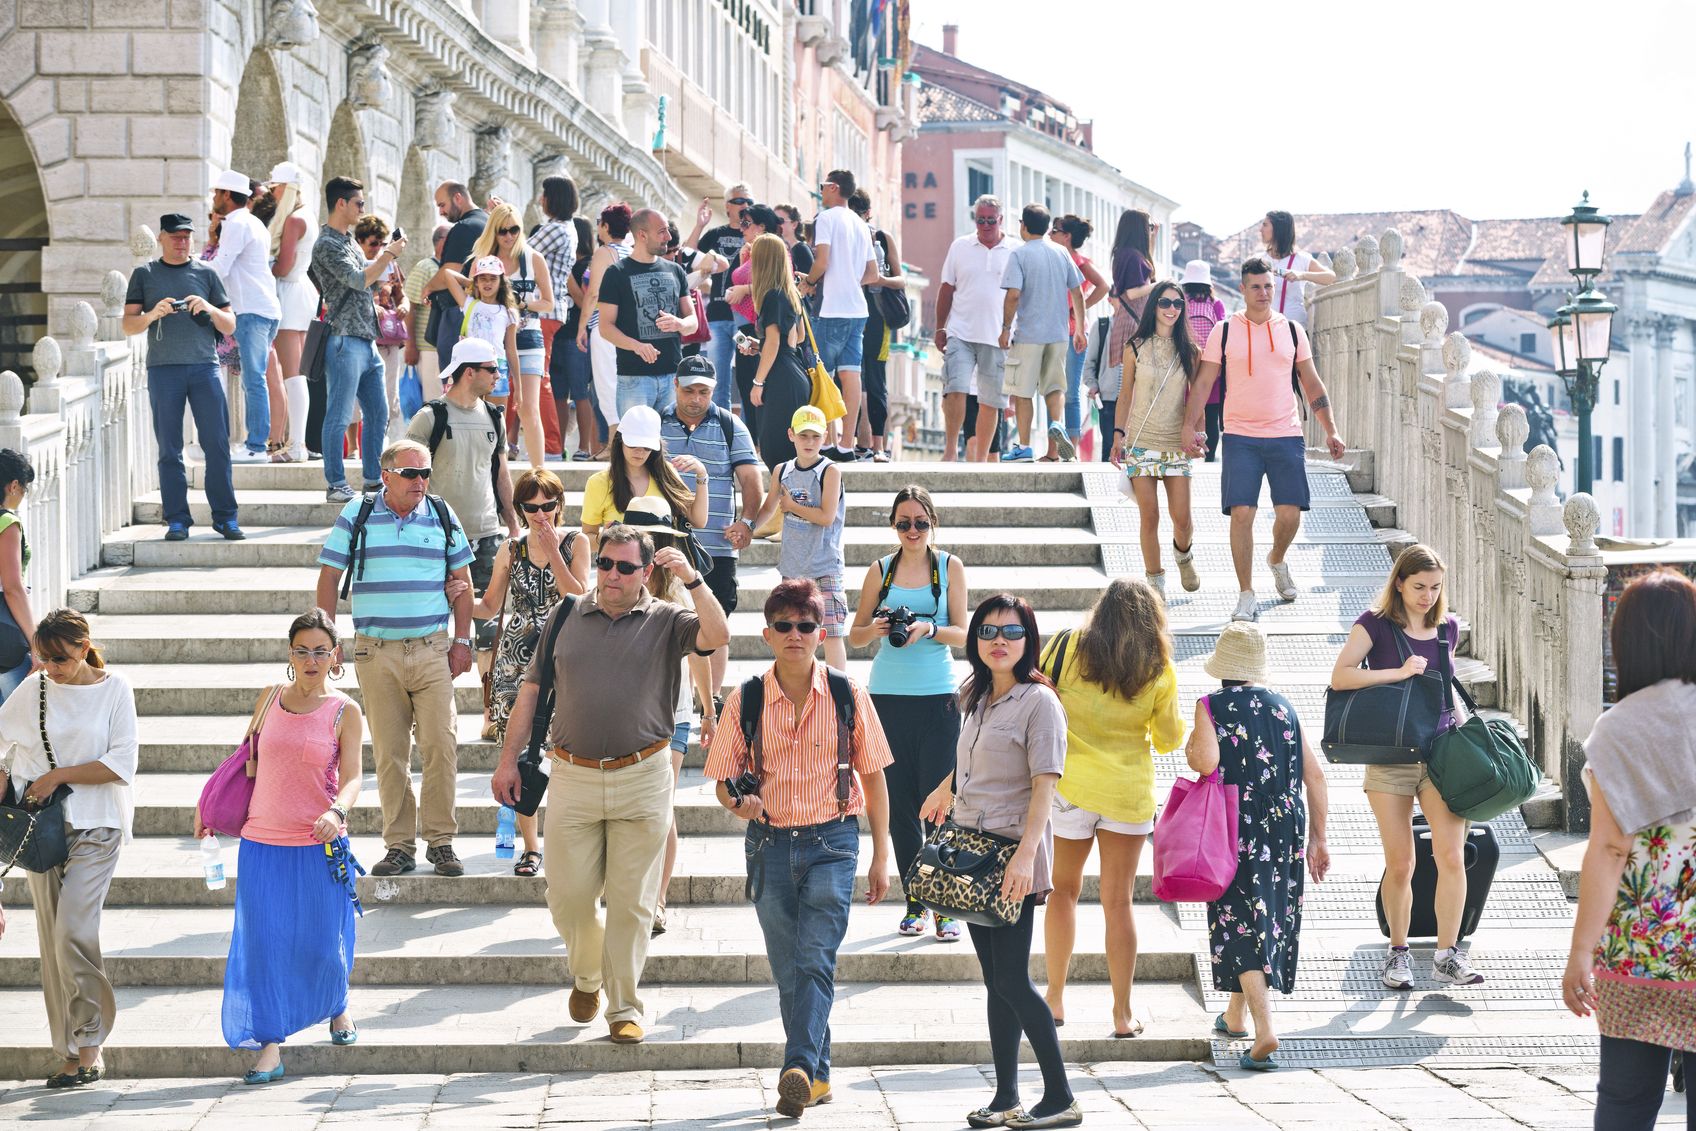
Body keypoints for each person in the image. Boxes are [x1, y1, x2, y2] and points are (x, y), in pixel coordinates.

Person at [491, 522, 730, 1044]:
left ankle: (624, 1006)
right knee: (568, 896)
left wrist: (693, 580)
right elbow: (531, 691)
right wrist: (508, 759)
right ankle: (587, 975)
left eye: (625, 566)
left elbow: (717, 636)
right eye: (604, 563)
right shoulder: (565, 614)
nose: (612, 574)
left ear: (645, 572)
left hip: (644, 776)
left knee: (632, 901)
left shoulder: (668, 619)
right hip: (572, 775)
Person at [705, 578, 895, 1119]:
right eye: (784, 625)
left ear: (820, 633)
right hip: (767, 842)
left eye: (806, 625)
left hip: (833, 840)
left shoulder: (847, 693)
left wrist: (881, 854)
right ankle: (818, 1074)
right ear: (767, 634)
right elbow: (722, 782)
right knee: (790, 966)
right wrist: (738, 804)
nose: (795, 634)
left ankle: (797, 1066)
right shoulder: (746, 698)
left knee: (815, 958)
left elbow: (874, 777)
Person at [919, 594, 1079, 1129]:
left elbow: (1045, 785)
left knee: (1011, 979)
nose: (999, 641)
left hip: (1012, 856)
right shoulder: (978, 695)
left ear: (1028, 640)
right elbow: (976, 758)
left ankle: (1060, 1097)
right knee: (996, 981)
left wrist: (1026, 859)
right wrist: (945, 787)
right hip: (973, 853)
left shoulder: (1040, 702)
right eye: (987, 632)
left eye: (1011, 632)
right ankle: (1006, 1096)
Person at [1562, 570, 1696, 1131]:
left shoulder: (1618, 730)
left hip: (1642, 948)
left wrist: (1580, 952)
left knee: (1625, 1101)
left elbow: (1610, 850)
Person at [206, 609, 364, 1084]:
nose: (311, 660)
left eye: (321, 651)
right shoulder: (269, 698)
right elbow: (243, 760)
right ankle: (270, 1045)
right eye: (302, 650)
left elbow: (354, 778)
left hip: (319, 841)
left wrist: (337, 812)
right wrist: (208, 806)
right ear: (289, 654)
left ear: (335, 656)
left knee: (323, 941)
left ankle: (336, 1004)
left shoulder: (345, 711)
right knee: (263, 946)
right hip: (262, 842)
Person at [314, 439, 474, 878]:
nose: (420, 481)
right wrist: (328, 640)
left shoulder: (442, 513)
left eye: (425, 473)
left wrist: (463, 641)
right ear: (386, 475)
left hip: (431, 647)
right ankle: (399, 845)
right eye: (410, 473)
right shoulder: (358, 512)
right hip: (375, 650)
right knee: (389, 752)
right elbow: (329, 577)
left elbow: (463, 582)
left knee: (441, 744)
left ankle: (441, 842)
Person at [1330, 545, 1483, 989]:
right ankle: (1398, 954)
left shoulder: (1447, 627)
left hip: (1441, 756)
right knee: (1401, 863)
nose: (1427, 596)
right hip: (1389, 757)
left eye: (1435, 587)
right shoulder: (1373, 624)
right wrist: (1396, 672)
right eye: (1418, 586)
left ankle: (1447, 956)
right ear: (1399, 582)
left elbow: (1446, 689)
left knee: (1452, 856)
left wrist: (1469, 737)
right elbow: (1340, 676)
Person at [1038, 578, 1182, 1039]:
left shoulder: (1067, 647)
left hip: (1070, 787)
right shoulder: (1158, 667)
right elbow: (1168, 739)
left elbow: (1038, 694)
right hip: (1126, 793)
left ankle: (1054, 998)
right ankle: (1122, 1013)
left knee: (1062, 892)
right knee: (1118, 901)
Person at [0, 610, 137, 1090]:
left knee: (72, 931)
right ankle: (69, 1053)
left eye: (59, 658)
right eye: (43, 657)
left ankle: (90, 1045)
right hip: (43, 832)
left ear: (83, 647)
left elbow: (121, 763)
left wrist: (57, 775)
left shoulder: (115, 689)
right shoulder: (33, 689)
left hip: (99, 825)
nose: (50, 668)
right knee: (51, 940)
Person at [1187, 621, 1330, 1071]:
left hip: (1236, 823)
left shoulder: (1211, 705)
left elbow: (1205, 761)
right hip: (1285, 825)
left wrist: (1195, 740)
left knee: (1236, 918)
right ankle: (1235, 1016)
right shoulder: (1285, 706)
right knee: (1263, 914)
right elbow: (1315, 776)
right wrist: (1319, 839)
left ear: (1222, 667)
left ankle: (1265, 1029)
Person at [1180, 257, 1348, 622]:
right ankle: (1246, 594)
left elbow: (1312, 383)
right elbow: (1204, 382)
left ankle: (1277, 559)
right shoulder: (1224, 330)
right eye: (1255, 286)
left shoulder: (1292, 331)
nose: (1263, 293)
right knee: (1242, 513)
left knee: (1290, 515)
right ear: (1242, 289)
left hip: (1286, 434)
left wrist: (1331, 429)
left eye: (1268, 286)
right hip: (1240, 435)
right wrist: (1189, 425)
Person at [849, 485, 970, 941]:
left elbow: (966, 633)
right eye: (904, 523)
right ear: (893, 526)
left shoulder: (949, 567)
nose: (912, 530)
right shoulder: (880, 570)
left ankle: (944, 906)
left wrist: (930, 628)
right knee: (899, 806)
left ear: (932, 522)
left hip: (939, 698)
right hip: (887, 698)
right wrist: (878, 627)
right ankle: (916, 902)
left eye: (920, 522)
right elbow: (855, 636)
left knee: (939, 807)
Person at [474, 469, 588, 876]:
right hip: (515, 665)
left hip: (564, 661)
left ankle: (566, 842)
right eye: (531, 507)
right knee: (520, 756)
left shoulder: (576, 542)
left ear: (560, 504)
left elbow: (580, 596)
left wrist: (554, 551)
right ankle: (530, 847)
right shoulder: (511, 548)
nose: (540, 514)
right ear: (519, 509)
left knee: (565, 754)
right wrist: (453, 597)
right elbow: (490, 605)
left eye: (548, 505)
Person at [406, 338, 520, 737]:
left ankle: (490, 716)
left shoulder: (494, 416)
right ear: (469, 372)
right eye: (492, 369)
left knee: (490, 634)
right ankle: (426, 714)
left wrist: (513, 524)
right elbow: (406, 473)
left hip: (486, 535)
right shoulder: (430, 417)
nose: (498, 375)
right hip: (435, 538)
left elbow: (501, 474)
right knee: (430, 632)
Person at [618, 496, 716, 937]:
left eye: (657, 539)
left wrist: (709, 708)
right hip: (622, 711)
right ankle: (630, 893)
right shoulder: (615, 577)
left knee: (662, 806)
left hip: (671, 713)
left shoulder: (679, 588)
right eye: (645, 538)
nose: (653, 547)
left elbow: (700, 650)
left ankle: (657, 899)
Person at [122, 213, 244, 539]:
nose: (182, 242)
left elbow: (229, 324)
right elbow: (128, 325)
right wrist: (153, 314)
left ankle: (226, 517)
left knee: (217, 444)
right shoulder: (144, 274)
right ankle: (177, 519)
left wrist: (208, 307)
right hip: (163, 370)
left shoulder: (206, 273)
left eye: (187, 236)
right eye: (175, 236)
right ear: (161, 237)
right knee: (169, 448)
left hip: (204, 367)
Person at [660, 355, 764, 696]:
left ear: (714, 391)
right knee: (665, 622)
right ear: (676, 385)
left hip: (716, 547)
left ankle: (712, 700)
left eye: (703, 392)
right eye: (689, 390)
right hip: (666, 544)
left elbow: (751, 480)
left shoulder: (730, 425)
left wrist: (746, 522)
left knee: (716, 623)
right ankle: (673, 701)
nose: (696, 399)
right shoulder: (657, 422)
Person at [310, 176, 405, 504]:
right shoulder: (326, 244)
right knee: (338, 415)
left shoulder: (348, 241)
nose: (363, 210)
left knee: (378, 413)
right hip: (343, 339)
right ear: (341, 203)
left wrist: (386, 268)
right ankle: (335, 483)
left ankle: (372, 480)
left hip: (365, 338)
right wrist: (387, 255)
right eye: (359, 203)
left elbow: (368, 281)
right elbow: (355, 279)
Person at [1109, 280, 1203, 596]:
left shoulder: (1191, 351)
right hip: (1141, 441)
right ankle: (1155, 584)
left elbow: (1196, 399)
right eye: (1164, 302)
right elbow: (1125, 395)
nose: (1171, 309)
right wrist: (1118, 435)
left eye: (1177, 303)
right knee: (1149, 516)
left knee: (1183, 519)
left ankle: (1183, 555)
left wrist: (1199, 435)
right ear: (1154, 306)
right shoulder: (1134, 346)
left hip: (1177, 443)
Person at [751, 406, 848, 671]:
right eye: (804, 435)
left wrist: (793, 506)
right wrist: (748, 527)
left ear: (824, 437)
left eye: (815, 436)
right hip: (793, 568)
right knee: (790, 634)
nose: (809, 442)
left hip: (825, 565)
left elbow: (826, 516)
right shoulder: (782, 470)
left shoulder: (830, 471)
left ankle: (839, 690)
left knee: (832, 633)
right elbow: (769, 507)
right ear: (791, 435)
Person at [469, 201, 557, 466]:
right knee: (486, 408)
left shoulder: (533, 258)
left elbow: (549, 302)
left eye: (514, 229)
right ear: (493, 231)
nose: (509, 236)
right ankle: (488, 468)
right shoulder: (481, 261)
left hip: (528, 337)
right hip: (491, 344)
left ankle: (539, 473)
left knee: (528, 408)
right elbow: (471, 299)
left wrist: (520, 305)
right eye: (502, 230)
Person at [801, 170, 880, 461]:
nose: (821, 190)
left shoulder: (826, 218)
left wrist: (809, 282)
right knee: (851, 374)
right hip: (857, 309)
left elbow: (822, 261)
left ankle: (825, 441)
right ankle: (847, 444)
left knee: (823, 375)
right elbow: (872, 274)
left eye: (823, 186)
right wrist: (849, 280)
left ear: (834, 187)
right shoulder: (861, 224)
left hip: (830, 308)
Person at [1000, 204, 1086, 463]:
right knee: (1055, 386)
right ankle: (1057, 424)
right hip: (1059, 334)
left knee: (1023, 392)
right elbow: (1078, 292)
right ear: (1048, 227)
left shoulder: (1019, 254)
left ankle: (1024, 447)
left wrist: (1005, 328)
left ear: (1023, 225)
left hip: (1028, 334)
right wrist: (1080, 329)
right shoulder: (1062, 252)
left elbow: (1013, 295)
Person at [209, 169, 283, 463]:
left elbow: (220, 267)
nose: (214, 198)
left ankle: (256, 447)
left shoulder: (236, 223)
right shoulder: (252, 222)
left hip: (252, 311)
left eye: (217, 193)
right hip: (261, 309)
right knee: (254, 379)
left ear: (227, 195)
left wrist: (187, 269)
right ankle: (256, 444)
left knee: (253, 380)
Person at [935, 195, 1015, 463]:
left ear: (1001, 220)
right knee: (955, 387)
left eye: (991, 220)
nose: (985, 226)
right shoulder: (960, 246)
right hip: (961, 331)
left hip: (998, 336)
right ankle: (950, 451)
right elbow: (946, 289)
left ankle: (981, 460)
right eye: (980, 220)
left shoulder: (1014, 250)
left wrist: (1015, 332)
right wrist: (940, 327)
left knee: (990, 400)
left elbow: (1021, 295)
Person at [597, 207, 696, 418]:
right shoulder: (616, 273)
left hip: (672, 375)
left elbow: (692, 321)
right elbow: (605, 327)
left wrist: (679, 324)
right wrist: (637, 346)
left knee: (669, 438)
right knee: (634, 438)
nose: (668, 237)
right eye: (661, 231)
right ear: (642, 235)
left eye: (667, 230)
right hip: (635, 378)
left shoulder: (675, 270)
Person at [580, 405, 708, 554]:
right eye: (633, 444)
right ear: (620, 440)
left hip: (664, 564)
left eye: (647, 446)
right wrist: (608, 536)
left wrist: (702, 475)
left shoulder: (667, 473)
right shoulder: (598, 483)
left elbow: (698, 521)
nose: (640, 451)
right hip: (620, 565)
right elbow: (586, 539)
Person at [746, 234, 816, 469]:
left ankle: (784, 494)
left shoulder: (773, 296)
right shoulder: (791, 293)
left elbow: (774, 342)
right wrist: (760, 345)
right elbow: (799, 337)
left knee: (775, 452)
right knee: (787, 454)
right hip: (794, 373)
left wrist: (758, 382)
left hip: (780, 378)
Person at [847, 190, 904, 462]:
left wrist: (878, 279)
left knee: (876, 381)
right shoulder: (842, 236)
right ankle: (853, 443)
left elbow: (901, 280)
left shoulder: (882, 237)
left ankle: (879, 446)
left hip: (877, 316)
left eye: (859, 214)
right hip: (848, 313)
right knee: (848, 378)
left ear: (868, 214)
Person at [266, 160, 316, 464]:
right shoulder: (306, 214)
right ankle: (297, 443)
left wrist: (261, 267)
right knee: (296, 375)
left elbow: (283, 267)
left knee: (292, 375)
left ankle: (297, 444)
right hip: (299, 293)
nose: (272, 194)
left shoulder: (294, 219)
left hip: (288, 293)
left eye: (275, 188)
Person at [721, 203, 784, 430]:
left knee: (754, 381)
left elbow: (777, 282)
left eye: (746, 223)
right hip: (741, 325)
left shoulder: (774, 250)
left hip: (755, 325)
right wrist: (743, 260)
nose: (741, 228)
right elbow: (746, 278)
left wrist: (743, 289)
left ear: (762, 226)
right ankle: (753, 437)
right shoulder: (750, 251)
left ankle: (758, 440)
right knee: (744, 380)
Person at [577, 203, 635, 450]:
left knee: (606, 383)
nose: (598, 228)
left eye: (599, 223)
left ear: (606, 226)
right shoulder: (632, 252)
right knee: (620, 382)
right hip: (626, 327)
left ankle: (613, 443)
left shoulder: (604, 252)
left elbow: (593, 293)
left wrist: (582, 327)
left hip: (604, 325)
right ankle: (618, 443)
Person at [691, 187, 754, 412]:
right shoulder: (716, 234)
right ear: (727, 206)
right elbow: (688, 254)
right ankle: (721, 427)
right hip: (718, 319)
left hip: (744, 322)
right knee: (717, 381)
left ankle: (749, 430)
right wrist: (699, 225)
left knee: (748, 377)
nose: (745, 205)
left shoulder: (754, 236)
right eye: (739, 201)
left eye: (749, 201)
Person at [530, 175, 580, 459]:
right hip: (551, 310)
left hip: (542, 311)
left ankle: (550, 446)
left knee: (538, 378)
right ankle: (548, 444)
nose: (541, 200)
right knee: (536, 378)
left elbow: (519, 252)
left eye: (544, 194)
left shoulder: (556, 229)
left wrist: (499, 220)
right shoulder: (568, 229)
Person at [1050, 215, 1109, 451]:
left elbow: (1103, 286)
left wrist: (1079, 307)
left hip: (1074, 333)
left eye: (1054, 230)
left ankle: (1071, 446)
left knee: (1071, 392)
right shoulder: (1052, 257)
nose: (1049, 234)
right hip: (1052, 332)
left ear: (1067, 237)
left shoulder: (1080, 262)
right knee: (1053, 390)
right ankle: (1056, 444)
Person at [444, 255, 520, 414]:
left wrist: (518, 387)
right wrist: (472, 284)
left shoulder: (509, 312)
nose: (487, 283)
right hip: (471, 365)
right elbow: (448, 274)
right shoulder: (469, 303)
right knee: (468, 415)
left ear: (501, 282)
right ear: (476, 281)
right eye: (483, 278)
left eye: (493, 279)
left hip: (496, 366)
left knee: (497, 418)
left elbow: (511, 350)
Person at [355, 213, 408, 432]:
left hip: (388, 339)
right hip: (359, 336)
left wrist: (404, 306)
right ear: (360, 241)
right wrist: (370, 306)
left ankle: (381, 436)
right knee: (355, 395)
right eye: (373, 243)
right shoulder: (353, 263)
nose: (378, 248)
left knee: (388, 391)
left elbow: (401, 295)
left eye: (382, 243)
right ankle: (353, 445)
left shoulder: (391, 265)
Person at [428, 181, 489, 369]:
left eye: (442, 205)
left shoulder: (464, 227)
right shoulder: (488, 222)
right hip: (485, 311)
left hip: (459, 313)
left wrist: (427, 288)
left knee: (454, 378)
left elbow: (450, 270)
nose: (441, 212)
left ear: (457, 198)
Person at [1104, 210, 1157, 403]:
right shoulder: (1132, 256)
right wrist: (1161, 285)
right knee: (1134, 387)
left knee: (1132, 385)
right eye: (1148, 227)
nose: (1150, 230)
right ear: (1139, 228)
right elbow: (1133, 292)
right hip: (1134, 322)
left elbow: (1146, 269)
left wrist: (1154, 238)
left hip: (1130, 319)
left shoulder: (1126, 253)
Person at [560, 216, 601, 458]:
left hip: (579, 336)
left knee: (580, 392)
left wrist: (566, 275)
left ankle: (584, 447)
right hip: (559, 333)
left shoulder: (588, 265)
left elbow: (583, 300)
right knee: (558, 394)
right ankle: (557, 447)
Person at [1180, 261, 1227, 462]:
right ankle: (1208, 457)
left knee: (1188, 416)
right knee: (1211, 417)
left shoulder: (1182, 302)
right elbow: (1224, 334)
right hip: (1212, 368)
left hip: (1187, 367)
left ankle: (1188, 455)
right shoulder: (1216, 304)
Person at [1260, 210, 1337, 329]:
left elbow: (1332, 278)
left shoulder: (1301, 259)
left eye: (1265, 225)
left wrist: (1302, 275)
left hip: (1295, 329)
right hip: (1266, 329)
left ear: (1278, 229)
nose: (1260, 230)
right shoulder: (1259, 260)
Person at [0, 449, 35, 702]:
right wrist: (35, 641)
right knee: (20, 714)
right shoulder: (7, 523)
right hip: (5, 636)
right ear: (13, 486)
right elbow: (12, 588)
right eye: (24, 488)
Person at [403, 224, 452, 404]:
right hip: (428, 347)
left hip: (446, 346)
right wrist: (410, 345)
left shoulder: (452, 268)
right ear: (442, 241)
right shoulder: (425, 267)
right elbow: (410, 307)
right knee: (434, 402)